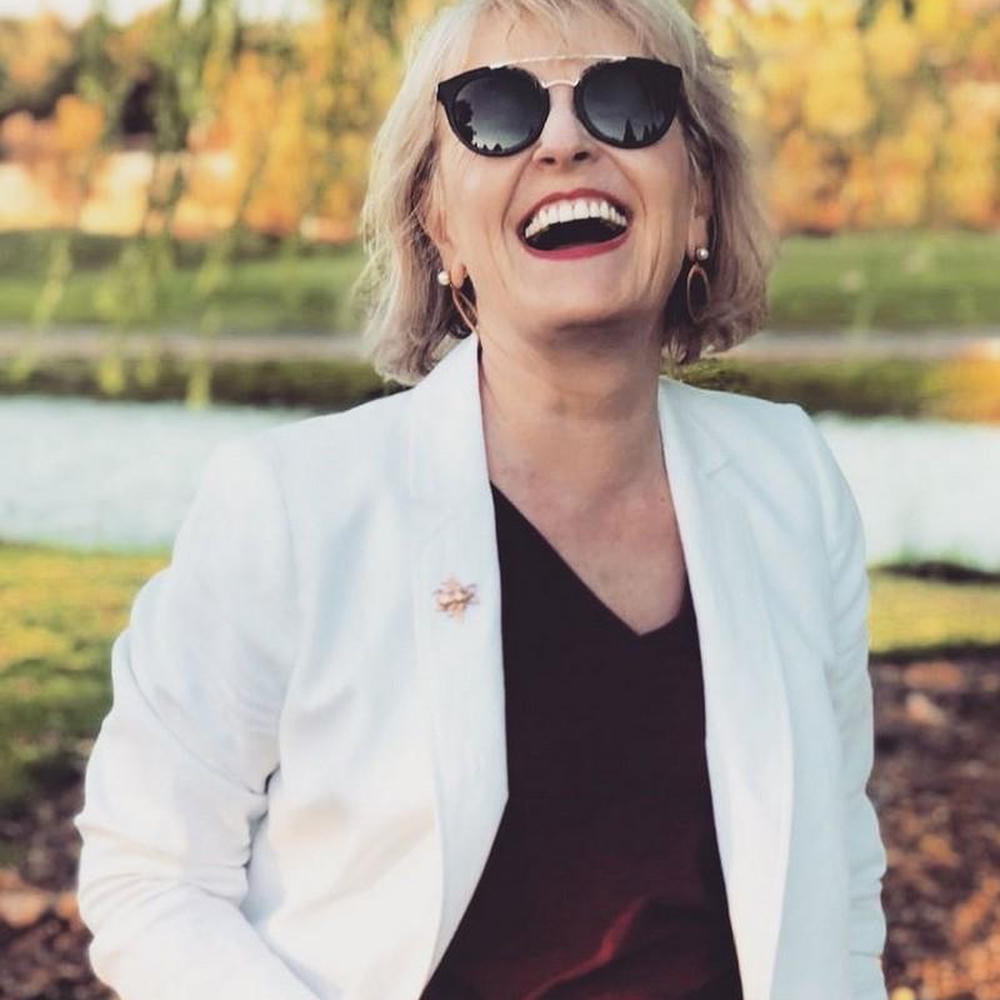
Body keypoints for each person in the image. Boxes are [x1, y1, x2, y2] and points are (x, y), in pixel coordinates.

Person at [73, 0, 890, 998]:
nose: (563, 143)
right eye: (496, 112)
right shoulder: (289, 510)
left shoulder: (791, 481)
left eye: (626, 101)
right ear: (440, 226)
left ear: (701, 202)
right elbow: (149, 875)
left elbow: (839, 880)